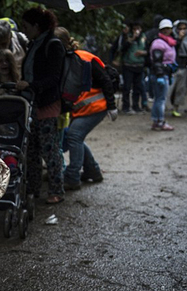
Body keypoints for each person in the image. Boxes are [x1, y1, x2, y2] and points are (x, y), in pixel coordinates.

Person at [54, 27, 118, 191]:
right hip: (82, 109)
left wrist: (112, 106)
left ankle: (72, 177)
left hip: (97, 106)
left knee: (74, 136)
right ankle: (93, 171)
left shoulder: (83, 58)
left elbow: (105, 80)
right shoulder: (63, 60)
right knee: (74, 136)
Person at [16, 7, 66, 204]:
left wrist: (31, 85)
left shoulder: (53, 45)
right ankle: (33, 189)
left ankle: (56, 190)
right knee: (33, 150)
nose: (24, 30)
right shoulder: (35, 44)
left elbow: (54, 78)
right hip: (32, 104)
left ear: (36, 26)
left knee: (50, 149)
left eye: (26, 26)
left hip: (47, 104)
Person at [149, 19, 177, 131]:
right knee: (161, 99)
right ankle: (160, 121)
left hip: (166, 72)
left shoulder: (169, 42)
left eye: (168, 29)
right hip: (160, 74)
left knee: (159, 98)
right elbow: (157, 61)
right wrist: (160, 75)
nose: (166, 31)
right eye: (164, 29)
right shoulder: (158, 43)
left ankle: (156, 120)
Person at [168, 20, 187, 117]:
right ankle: (166, 106)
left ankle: (176, 108)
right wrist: (179, 40)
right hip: (173, 67)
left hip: (184, 66)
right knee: (170, 89)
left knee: (181, 89)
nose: (182, 30)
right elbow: (171, 50)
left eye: (184, 28)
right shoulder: (171, 38)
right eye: (180, 28)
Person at [120, 21, 148, 114]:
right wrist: (132, 39)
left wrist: (144, 53)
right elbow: (122, 48)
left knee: (138, 87)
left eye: (138, 28)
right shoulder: (127, 36)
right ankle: (126, 107)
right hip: (128, 65)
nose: (137, 31)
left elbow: (149, 49)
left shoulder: (144, 37)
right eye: (135, 28)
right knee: (127, 87)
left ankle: (136, 106)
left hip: (139, 65)